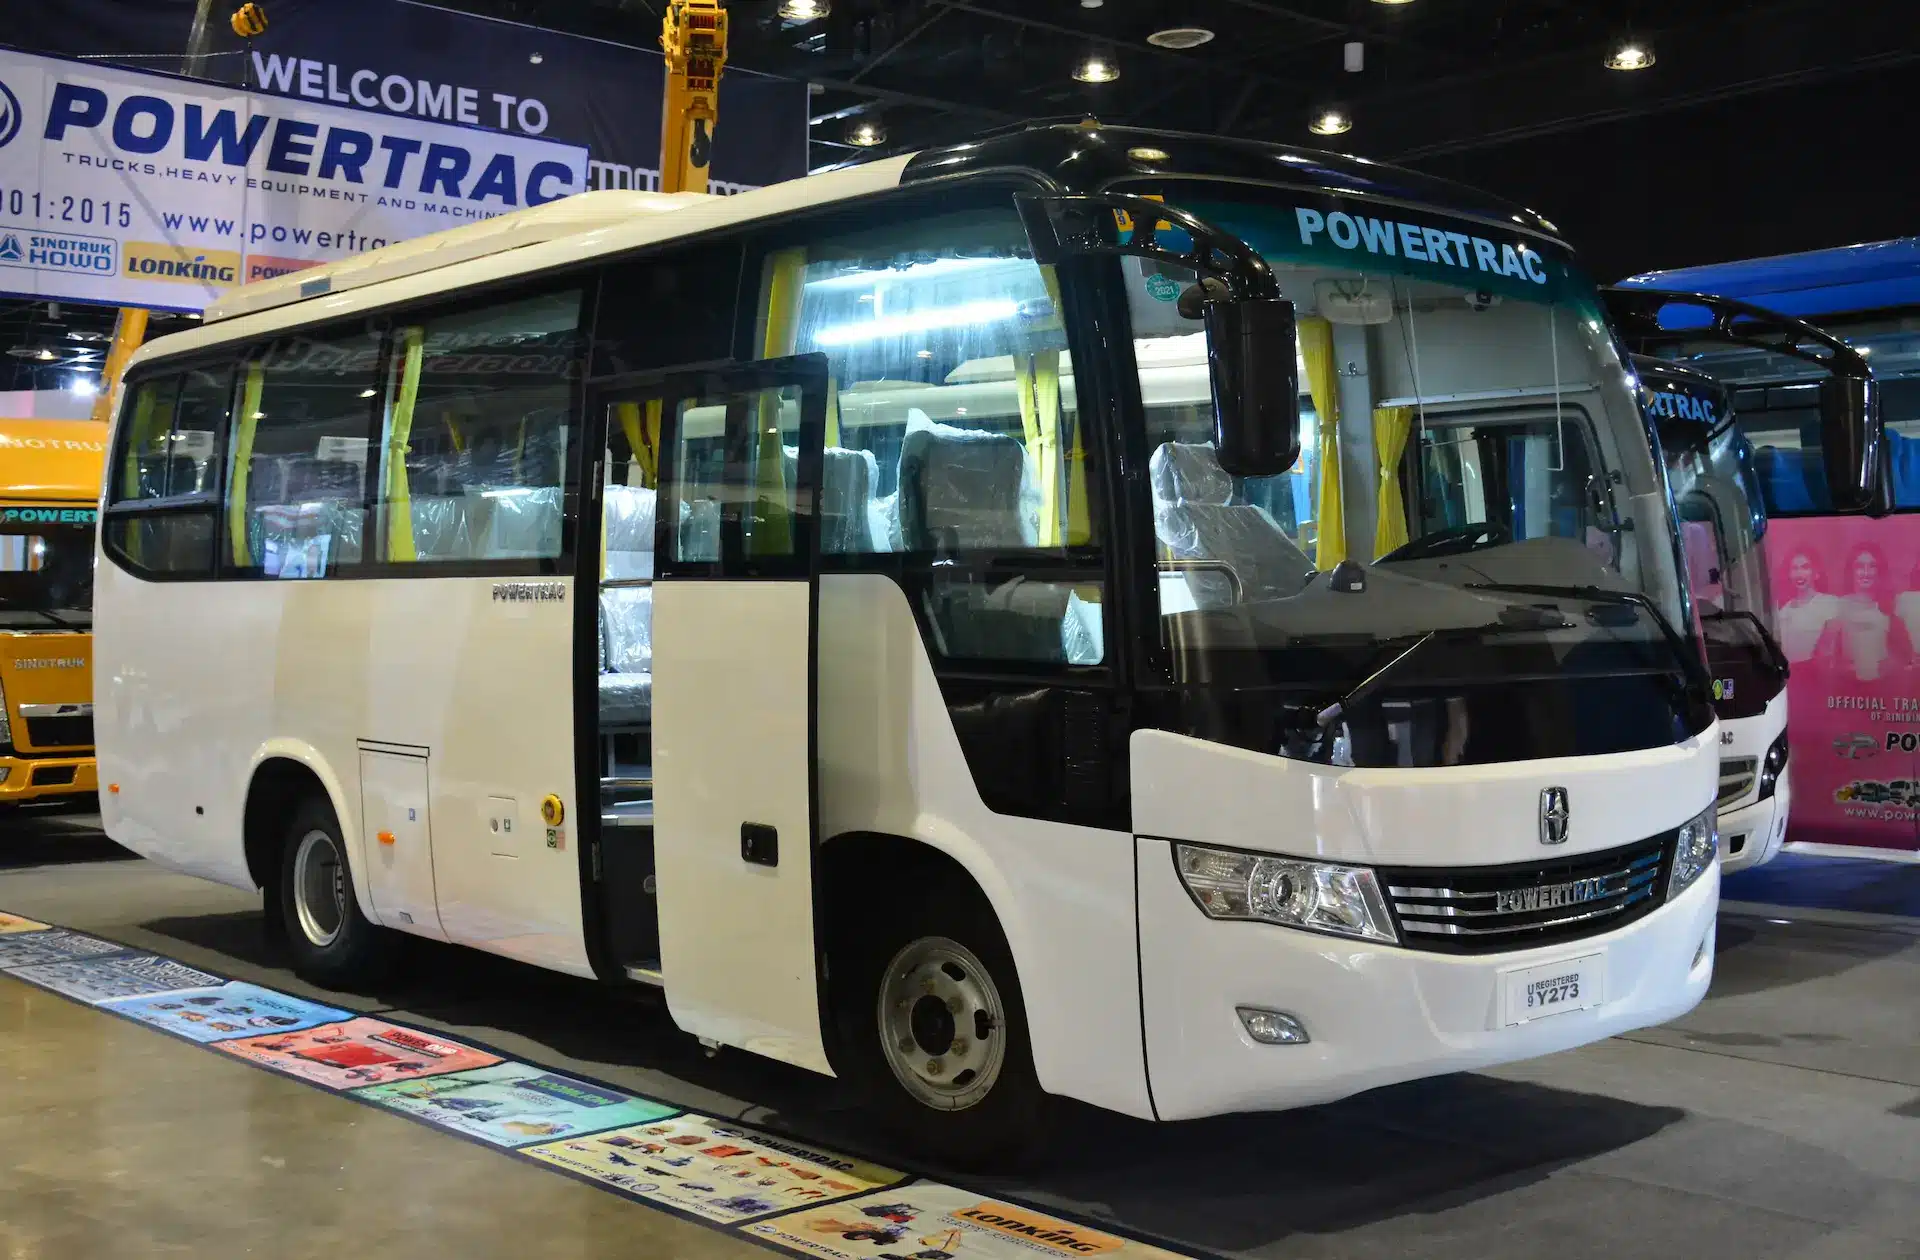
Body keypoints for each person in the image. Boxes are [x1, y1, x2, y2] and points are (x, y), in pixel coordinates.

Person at [1832, 542, 1909, 681]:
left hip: (1882, 691)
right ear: (1851, 570)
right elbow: (1827, 660)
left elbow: (1904, 661)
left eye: (1872, 566)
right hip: (1846, 691)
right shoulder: (1838, 608)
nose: (1866, 573)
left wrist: (1891, 667)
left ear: (1879, 570)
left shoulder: (1892, 609)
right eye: (1859, 566)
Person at [1774, 548, 1839, 664]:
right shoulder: (1783, 612)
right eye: (1795, 568)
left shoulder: (1830, 604)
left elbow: (1827, 649)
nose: (1799, 574)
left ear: (1816, 573)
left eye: (1805, 567)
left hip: (1817, 674)